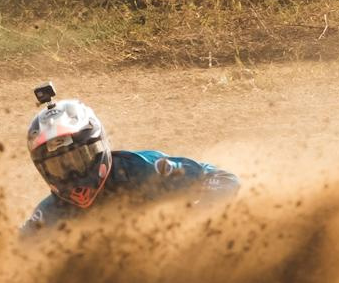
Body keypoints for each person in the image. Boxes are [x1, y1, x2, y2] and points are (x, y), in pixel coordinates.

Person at [20, 83, 240, 234]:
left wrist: (194, 222)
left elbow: (222, 179)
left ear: (98, 146)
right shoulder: (49, 215)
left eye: (79, 158)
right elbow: (14, 251)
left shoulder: (142, 170)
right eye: (59, 167)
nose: (74, 174)